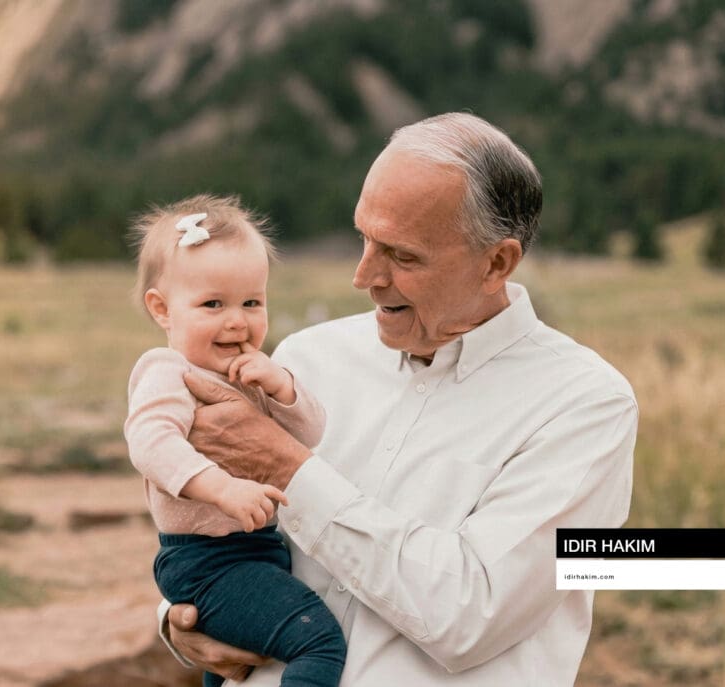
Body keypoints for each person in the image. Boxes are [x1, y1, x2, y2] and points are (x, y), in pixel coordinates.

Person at [161, 114, 638, 685]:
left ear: (497, 263)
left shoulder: (586, 406)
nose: (364, 276)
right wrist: (179, 618)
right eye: (364, 238)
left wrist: (289, 469)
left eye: (402, 256)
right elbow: (212, 526)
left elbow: (472, 613)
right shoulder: (309, 357)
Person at [124, 195, 346, 687]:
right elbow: (151, 442)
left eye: (252, 302)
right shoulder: (169, 371)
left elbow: (307, 435)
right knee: (317, 642)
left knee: (236, 672)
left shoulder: (251, 371)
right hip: (208, 558)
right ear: (162, 310)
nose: (237, 321)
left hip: (257, 551)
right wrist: (222, 487)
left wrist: (283, 388)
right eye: (212, 305)